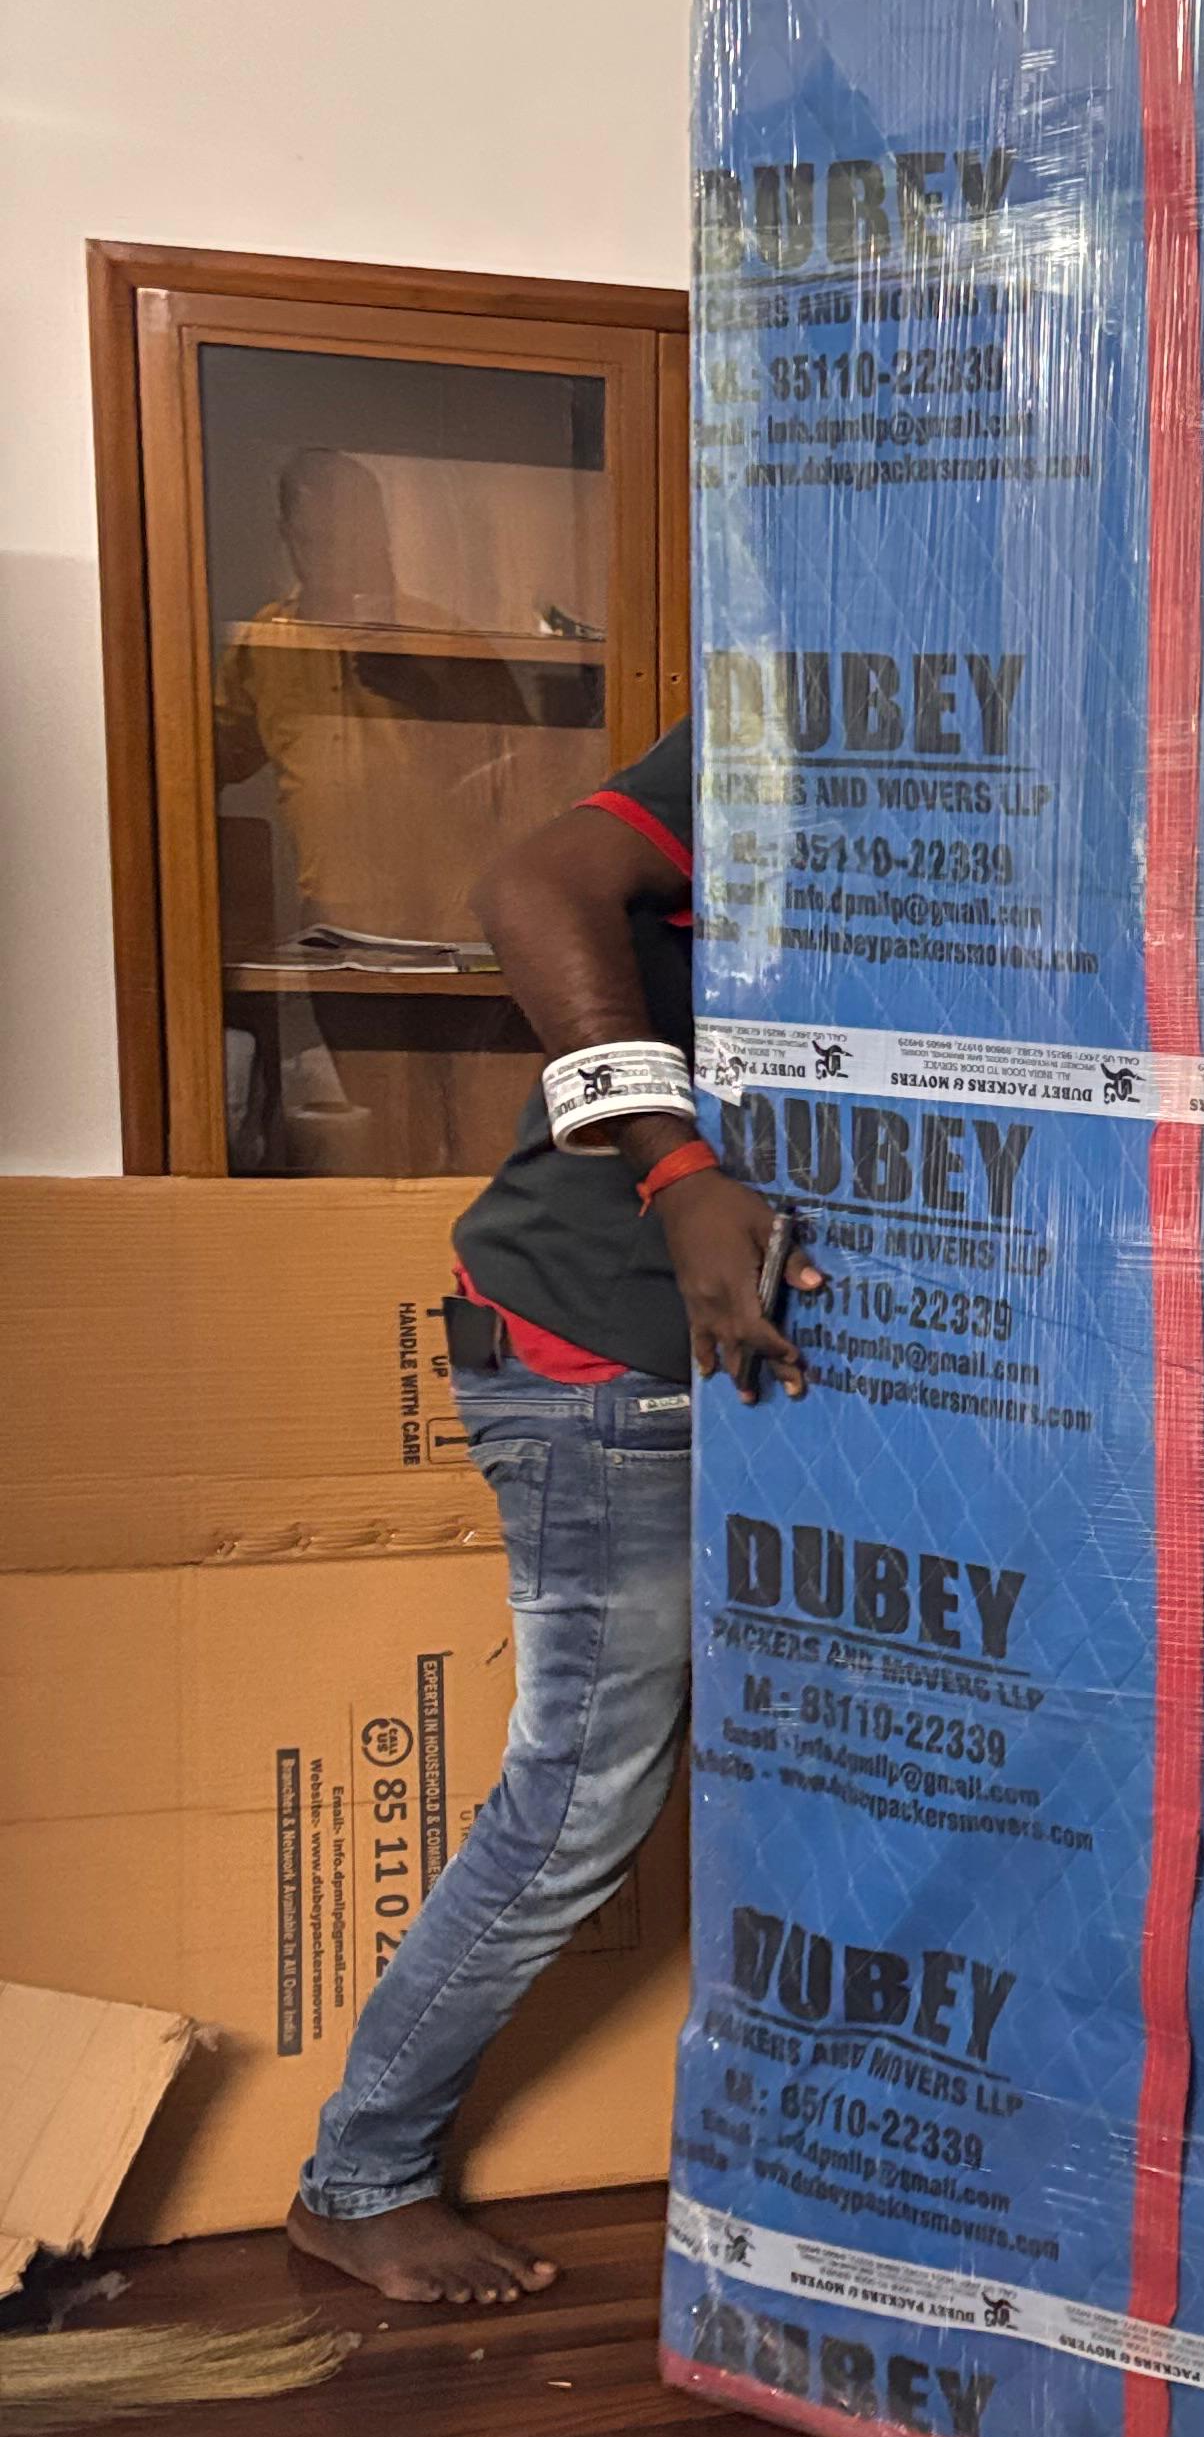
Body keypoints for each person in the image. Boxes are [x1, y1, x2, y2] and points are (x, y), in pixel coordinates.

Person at [286, 720, 820, 2310]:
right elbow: (529, 885)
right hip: (604, 1352)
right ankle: (359, 2176)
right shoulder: (798, 701)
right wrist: (675, 1174)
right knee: (583, 1792)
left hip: (734, 1357)